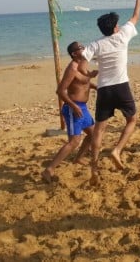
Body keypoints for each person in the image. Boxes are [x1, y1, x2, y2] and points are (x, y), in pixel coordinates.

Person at [82, 0, 140, 185]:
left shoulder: (96, 44)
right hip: (121, 86)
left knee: (99, 130)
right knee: (132, 120)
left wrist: (88, 74)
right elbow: (136, 16)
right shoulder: (122, 36)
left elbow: (81, 62)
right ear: (115, 27)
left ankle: (94, 169)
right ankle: (117, 150)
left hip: (104, 90)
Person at [42, 41, 97, 183]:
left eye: (83, 46)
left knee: (92, 134)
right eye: (81, 48)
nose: (84, 49)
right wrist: (73, 106)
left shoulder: (82, 65)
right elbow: (60, 91)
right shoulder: (72, 68)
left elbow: (82, 83)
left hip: (83, 108)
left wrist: (95, 86)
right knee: (74, 141)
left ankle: (78, 158)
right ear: (74, 53)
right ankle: (49, 170)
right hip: (73, 109)